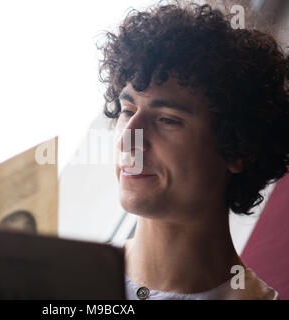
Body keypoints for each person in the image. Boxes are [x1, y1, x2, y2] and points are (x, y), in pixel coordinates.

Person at [98, 1, 289, 299]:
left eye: (167, 120)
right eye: (127, 110)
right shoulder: (65, 278)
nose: (129, 140)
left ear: (238, 149)